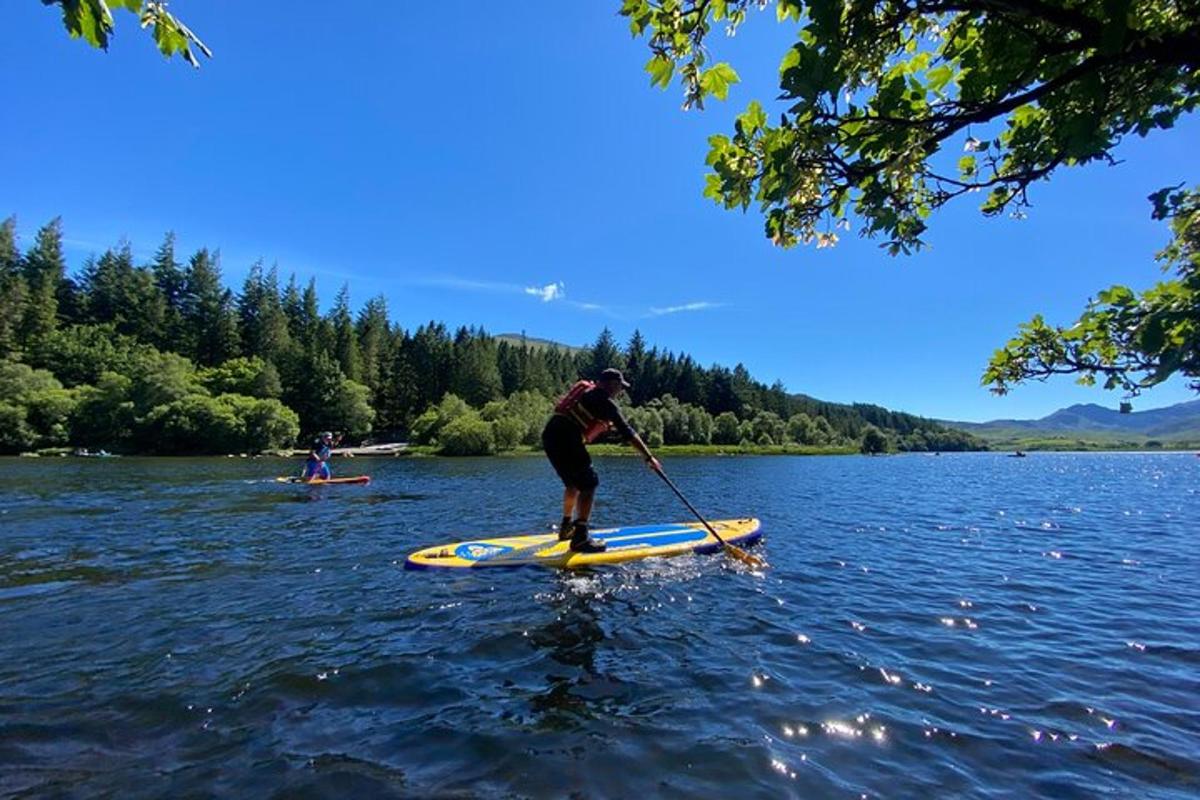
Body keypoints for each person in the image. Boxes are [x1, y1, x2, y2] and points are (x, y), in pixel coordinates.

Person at [542, 368, 661, 553]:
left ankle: (566, 528)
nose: (620, 391)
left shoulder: (586, 392)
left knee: (573, 484)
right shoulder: (606, 403)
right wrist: (649, 457)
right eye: (620, 387)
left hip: (550, 434)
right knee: (589, 484)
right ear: (612, 385)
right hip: (567, 437)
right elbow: (628, 433)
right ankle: (580, 538)